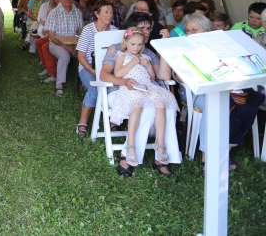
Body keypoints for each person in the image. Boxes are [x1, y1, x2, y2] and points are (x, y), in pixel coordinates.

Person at [184, 13, 265, 171]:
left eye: (194, 30)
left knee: (254, 97)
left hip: (227, 87)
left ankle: (226, 148)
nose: (190, 34)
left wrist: (234, 89)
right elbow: (182, 76)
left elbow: (233, 67)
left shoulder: (220, 46)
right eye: (188, 30)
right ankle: (208, 158)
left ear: (206, 31)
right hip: (200, 92)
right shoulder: (184, 47)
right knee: (220, 102)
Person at [107, 29, 178, 176]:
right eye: (133, 44)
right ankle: (130, 148)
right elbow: (118, 74)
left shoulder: (146, 56)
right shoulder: (121, 55)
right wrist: (133, 62)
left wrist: (147, 65)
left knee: (162, 105)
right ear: (125, 43)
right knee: (138, 106)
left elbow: (152, 77)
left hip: (147, 88)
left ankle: (161, 147)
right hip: (130, 88)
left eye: (140, 44)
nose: (136, 47)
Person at [75, 0, 118, 136]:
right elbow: (80, 56)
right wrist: (93, 71)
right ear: (97, 14)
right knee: (95, 87)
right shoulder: (88, 30)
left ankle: (113, 118)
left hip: (108, 69)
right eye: (106, 12)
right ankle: (83, 122)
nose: (109, 15)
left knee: (115, 86)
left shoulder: (115, 31)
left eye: (111, 12)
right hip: (87, 67)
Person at [44, 0, 83, 96]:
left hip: (74, 43)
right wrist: (67, 48)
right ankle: (59, 85)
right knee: (65, 56)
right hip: (56, 43)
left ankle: (83, 82)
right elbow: (51, 36)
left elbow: (80, 32)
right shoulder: (54, 12)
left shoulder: (77, 12)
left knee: (85, 53)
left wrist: (77, 45)